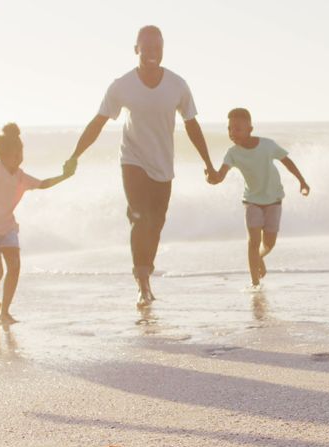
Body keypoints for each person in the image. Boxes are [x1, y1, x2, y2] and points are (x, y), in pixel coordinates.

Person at [64, 25, 215, 307]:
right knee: (140, 217)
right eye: (146, 48)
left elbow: (192, 125)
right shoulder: (122, 85)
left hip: (163, 165)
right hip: (132, 161)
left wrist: (208, 163)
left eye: (157, 48)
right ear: (136, 49)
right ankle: (141, 279)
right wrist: (75, 156)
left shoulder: (177, 85)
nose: (152, 54)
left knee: (156, 224)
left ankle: (146, 269)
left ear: (163, 50)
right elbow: (98, 122)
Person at [0, 123, 72, 324]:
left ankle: (5, 311)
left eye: (20, 154)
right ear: (2, 155)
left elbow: (43, 184)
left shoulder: (20, 176)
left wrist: (64, 176)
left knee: (14, 266)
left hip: (7, 228)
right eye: (14, 154)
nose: (18, 158)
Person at [207, 108, 310, 287]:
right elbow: (221, 175)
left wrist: (302, 181)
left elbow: (287, 161)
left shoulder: (268, 145)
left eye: (237, 128)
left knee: (269, 243)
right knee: (253, 242)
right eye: (229, 129)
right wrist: (212, 178)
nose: (233, 133)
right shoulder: (232, 153)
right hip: (251, 201)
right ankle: (255, 284)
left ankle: (259, 258)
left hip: (274, 199)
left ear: (250, 129)